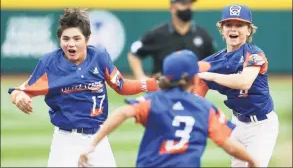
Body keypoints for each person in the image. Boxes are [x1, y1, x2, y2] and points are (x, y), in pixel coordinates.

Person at [8, 7, 159, 167]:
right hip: (66, 141)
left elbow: (121, 86)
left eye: (76, 38)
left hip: (98, 138)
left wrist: (153, 84)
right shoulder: (50, 64)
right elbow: (19, 91)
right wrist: (20, 97)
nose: (70, 44)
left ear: (87, 39)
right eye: (65, 39)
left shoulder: (99, 57)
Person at [78, 50, 259, 167]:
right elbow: (229, 145)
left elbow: (123, 112)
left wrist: (92, 143)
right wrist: (253, 162)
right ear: (194, 79)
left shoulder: (153, 100)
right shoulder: (205, 108)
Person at [195, 4, 279, 167]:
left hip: (261, 126)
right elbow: (190, 78)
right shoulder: (214, 60)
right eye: (228, 24)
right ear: (222, 29)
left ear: (249, 30)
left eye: (239, 25)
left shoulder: (255, 54)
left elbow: (244, 81)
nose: (233, 29)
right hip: (237, 123)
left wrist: (210, 75)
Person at [128, 0, 216, 80]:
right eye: (184, 4)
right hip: (162, 89)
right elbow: (134, 54)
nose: (189, 8)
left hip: (192, 90)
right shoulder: (158, 34)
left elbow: (213, 61)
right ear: (172, 8)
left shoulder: (202, 34)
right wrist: (141, 77)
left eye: (191, 4)